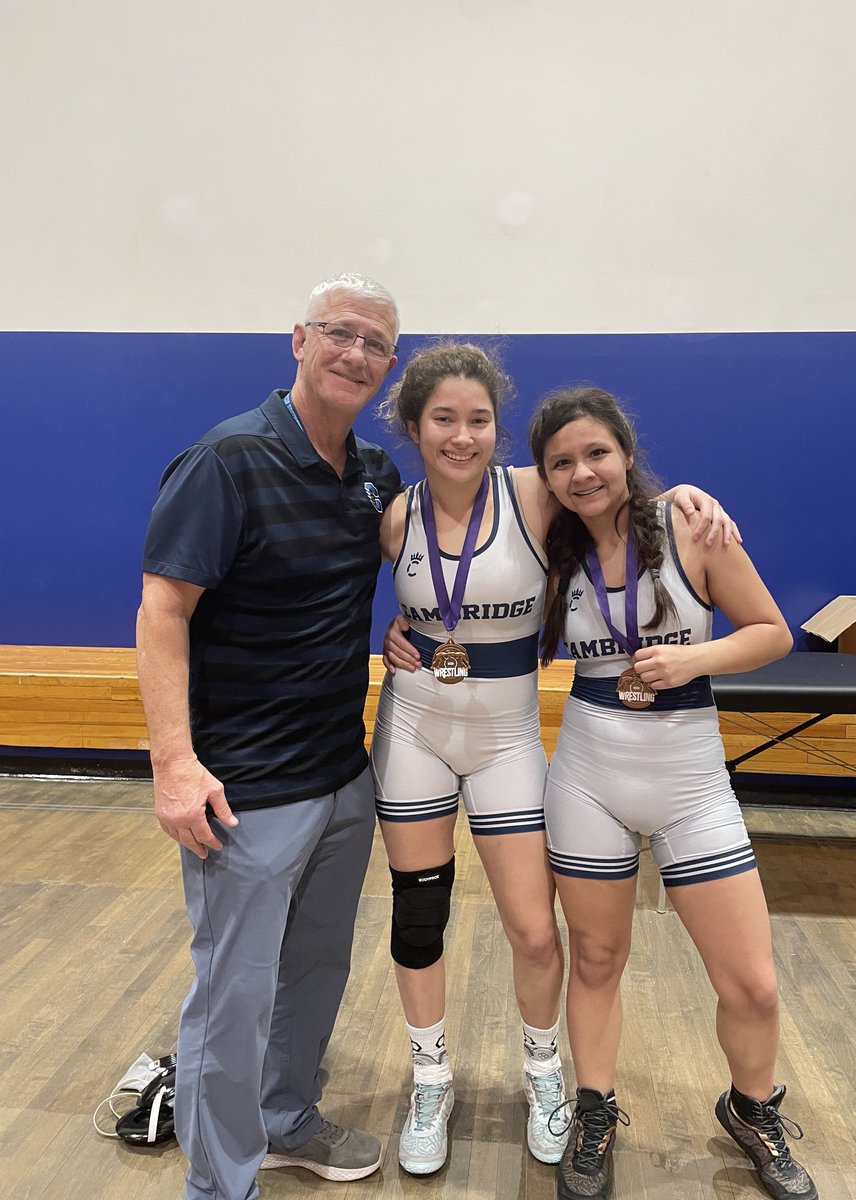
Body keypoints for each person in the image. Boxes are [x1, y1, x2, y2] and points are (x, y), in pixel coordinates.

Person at [373, 344, 733, 1177]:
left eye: (478, 420)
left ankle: (545, 1077)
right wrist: (394, 636)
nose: (461, 436)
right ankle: (432, 1079)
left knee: (536, 932)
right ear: (413, 426)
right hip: (413, 734)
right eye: (442, 420)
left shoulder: (534, 494)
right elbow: (371, 605)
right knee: (418, 918)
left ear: (497, 428)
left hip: (505, 741)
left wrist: (687, 495)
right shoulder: (396, 516)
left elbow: (615, 491)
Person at [136, 273, 402, 1200]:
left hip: (341, 775)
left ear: (388, 367)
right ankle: (220, 1184)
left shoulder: (374, 472)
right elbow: (163, 609)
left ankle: (286, 1122)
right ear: (299, 339)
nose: (355, 353)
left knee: (314, 976)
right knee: (233, 999)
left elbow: (472, 515)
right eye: (340, 333)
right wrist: (174, 764)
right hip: (243, 792)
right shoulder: (227, 460)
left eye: (374, 344)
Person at [527, 386, 817, 1200]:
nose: (583, 473)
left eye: (597, 454)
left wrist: (692, 660)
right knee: (596, 958)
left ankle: (752, 1107)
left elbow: (770, 632)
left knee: (751, 982)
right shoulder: (549, 546)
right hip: (588, 779)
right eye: (561, 462)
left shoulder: (691, 526)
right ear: (544, 476)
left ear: (626, 452)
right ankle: (594, 1107)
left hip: (691, 784)